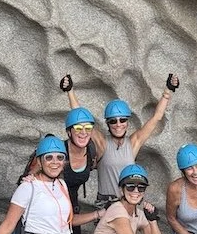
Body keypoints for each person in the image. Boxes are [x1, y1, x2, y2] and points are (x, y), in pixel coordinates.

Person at [3, 109, 98, 234]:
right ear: (69, 132)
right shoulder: (57, 150)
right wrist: (29, 178)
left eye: (88, 128)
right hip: (48, 212)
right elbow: (38, 169)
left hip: (68, 209)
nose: (83, 132)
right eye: (78, 128)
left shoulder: (91, 151)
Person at [60, 72, 179, 204]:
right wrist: (70, 91)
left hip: (128, 203)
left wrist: (168, 90)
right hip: (106, 206)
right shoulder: (102, 143)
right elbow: (80, 118)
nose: (118, 124)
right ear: (108, 123)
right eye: (113, 121)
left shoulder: (133, 143)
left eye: (122, 120)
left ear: (127, 122)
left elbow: (156, 117)